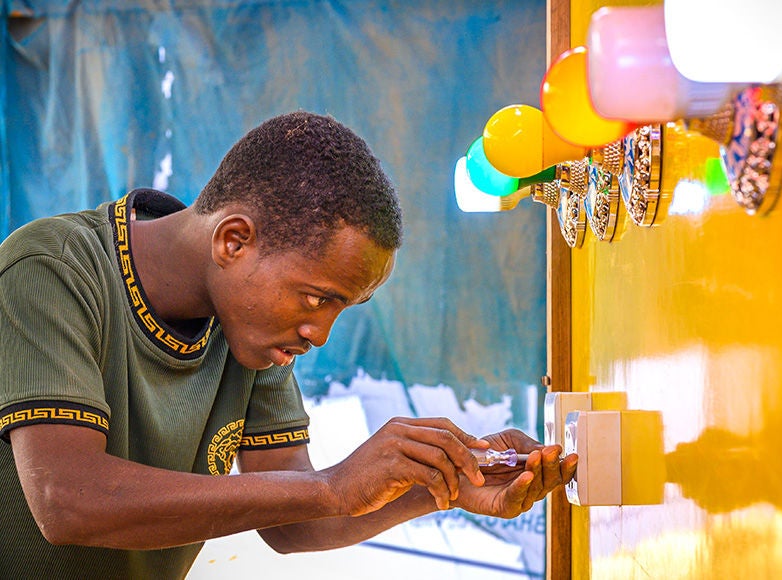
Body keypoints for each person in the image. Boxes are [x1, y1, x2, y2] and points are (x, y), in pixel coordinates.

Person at [0, 111, 578, 578]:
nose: (320, 334)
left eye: (341, 309)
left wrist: (444, 485)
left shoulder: (249, 331)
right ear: (234, 241)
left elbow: (296, 524)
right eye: (315, 298)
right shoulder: (53, 269)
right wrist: (331, 486)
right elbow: (68, 500)